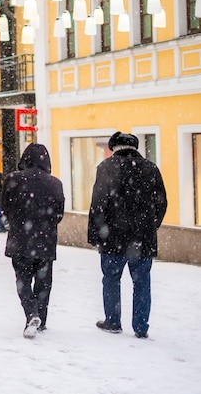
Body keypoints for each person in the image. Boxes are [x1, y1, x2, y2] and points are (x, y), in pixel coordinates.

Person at [88, 132, 167, 339]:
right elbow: (161, 203)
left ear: (115, 147)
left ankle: (113, 321)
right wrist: (151, 225)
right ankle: (141, 326)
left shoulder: (106, 168)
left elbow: (98, 205)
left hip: (112, 237)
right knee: (142, 282)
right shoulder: (151, 169)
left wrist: (96, 234)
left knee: (111, 279)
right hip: (143, 238)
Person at [1, 143, 65, 339]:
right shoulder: (55, 183)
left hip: (20, 239)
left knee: (23, 280)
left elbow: (5, 208)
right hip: (45, 241)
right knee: (44, 282)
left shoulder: (13, 179)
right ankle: (41, 320)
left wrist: (15, 222)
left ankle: (31, 314)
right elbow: (59, 214)